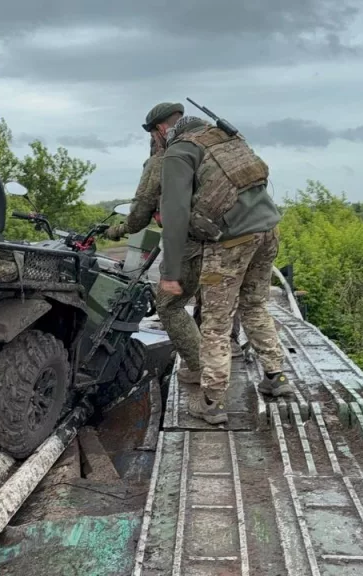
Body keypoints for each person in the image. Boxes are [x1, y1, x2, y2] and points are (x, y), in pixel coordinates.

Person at [153, 107, 294, 425]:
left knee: (215, 324)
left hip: (231, 243)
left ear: (171, 134)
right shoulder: (229, 139)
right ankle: (276, 377)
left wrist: (172, 272)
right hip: (269, 232)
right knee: (255, 306)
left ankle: (213, 403)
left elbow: (174, 215)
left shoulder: (179, 152)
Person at [102, 103, 202, 385]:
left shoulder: (163, 160)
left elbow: (140, 212)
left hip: (190, 240)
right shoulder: (209, 152)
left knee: (169, 305)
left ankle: (201, 368)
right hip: (234, 238)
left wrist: (118, 230)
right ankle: (225, 347)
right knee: (218, 299)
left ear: (160, 129)